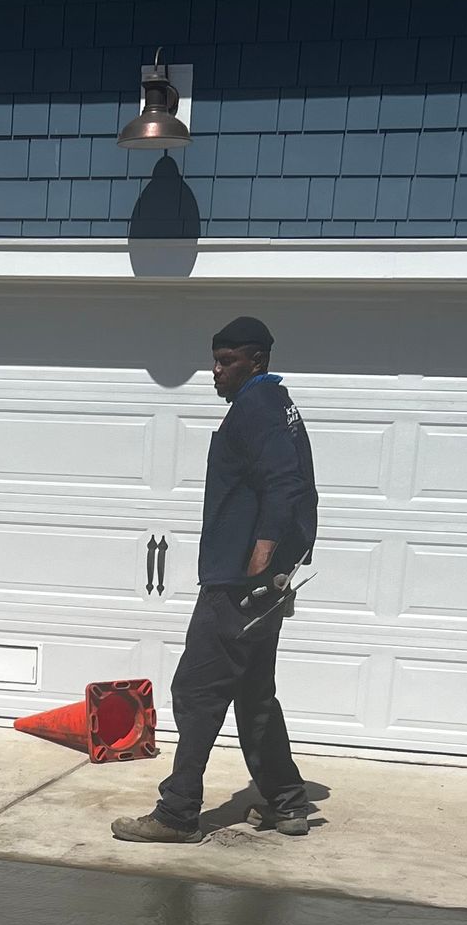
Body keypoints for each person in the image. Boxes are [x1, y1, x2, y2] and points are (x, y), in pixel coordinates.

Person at [113, 314, 318, 845]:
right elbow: (291, 485)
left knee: (196, 689)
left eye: (227, 362)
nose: (216, 371)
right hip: (264, 582)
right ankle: (287, 802)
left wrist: (262, 555)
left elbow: (284, 484)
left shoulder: (257, 404)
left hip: (240, 582)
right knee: (253, 692)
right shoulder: (278, 405)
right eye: (215, 360)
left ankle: (178, 813)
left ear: (257, 361)